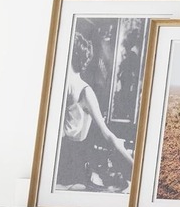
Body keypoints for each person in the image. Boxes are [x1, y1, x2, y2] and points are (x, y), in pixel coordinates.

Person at [57, 31, 134, 191]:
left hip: (71, 165)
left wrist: (136, 167)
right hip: (59, 159)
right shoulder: (60, 84)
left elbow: (108, 135)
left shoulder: (85, 91)